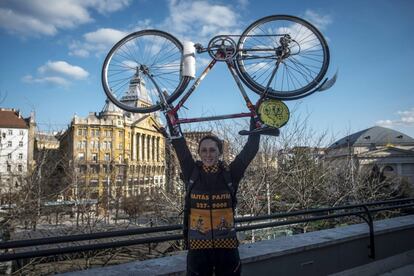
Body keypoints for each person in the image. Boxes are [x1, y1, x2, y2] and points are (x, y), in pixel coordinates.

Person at [166, 115, 272, 276]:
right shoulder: (191, 172)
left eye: (212, 150)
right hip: (198, 250)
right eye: (204, 150)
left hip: (227, 249)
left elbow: (250, 150)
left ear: (219, 152)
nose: (208, 154)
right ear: (199, 153)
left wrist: (254, 121)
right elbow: (179, 144)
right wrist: (171, 116)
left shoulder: (230, 174)